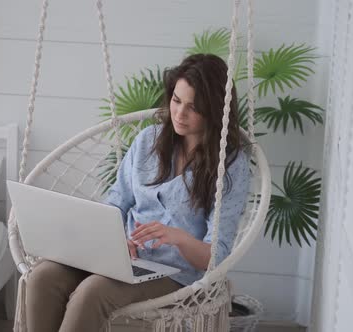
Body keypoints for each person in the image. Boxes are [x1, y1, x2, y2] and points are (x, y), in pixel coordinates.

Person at [25, 54, 251, 332]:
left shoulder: (230, 166)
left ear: (214, 110)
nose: (179, 114)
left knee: (92, 293)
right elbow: (116, 202)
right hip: (120, 258)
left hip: (175, 274)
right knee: (43, 277)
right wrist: (117, 238)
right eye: (177, 101)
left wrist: (177, 237)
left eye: (193, 107)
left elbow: (216, 256)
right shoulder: (148, 141)